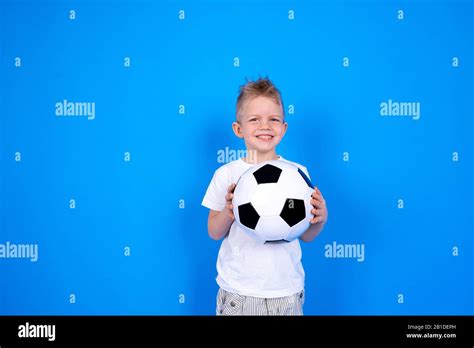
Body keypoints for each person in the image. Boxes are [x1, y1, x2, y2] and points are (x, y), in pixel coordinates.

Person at [201, 77, 328, 315]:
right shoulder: (226, 174)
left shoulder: (298, 175)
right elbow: (213, 231)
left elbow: (307, 236)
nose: (265, 126)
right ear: (239, 129)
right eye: (254, 119)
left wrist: (320, 219)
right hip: (239, 292)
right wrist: (229, 212)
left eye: (274, 120)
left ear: (284, 127)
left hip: (286, 292)